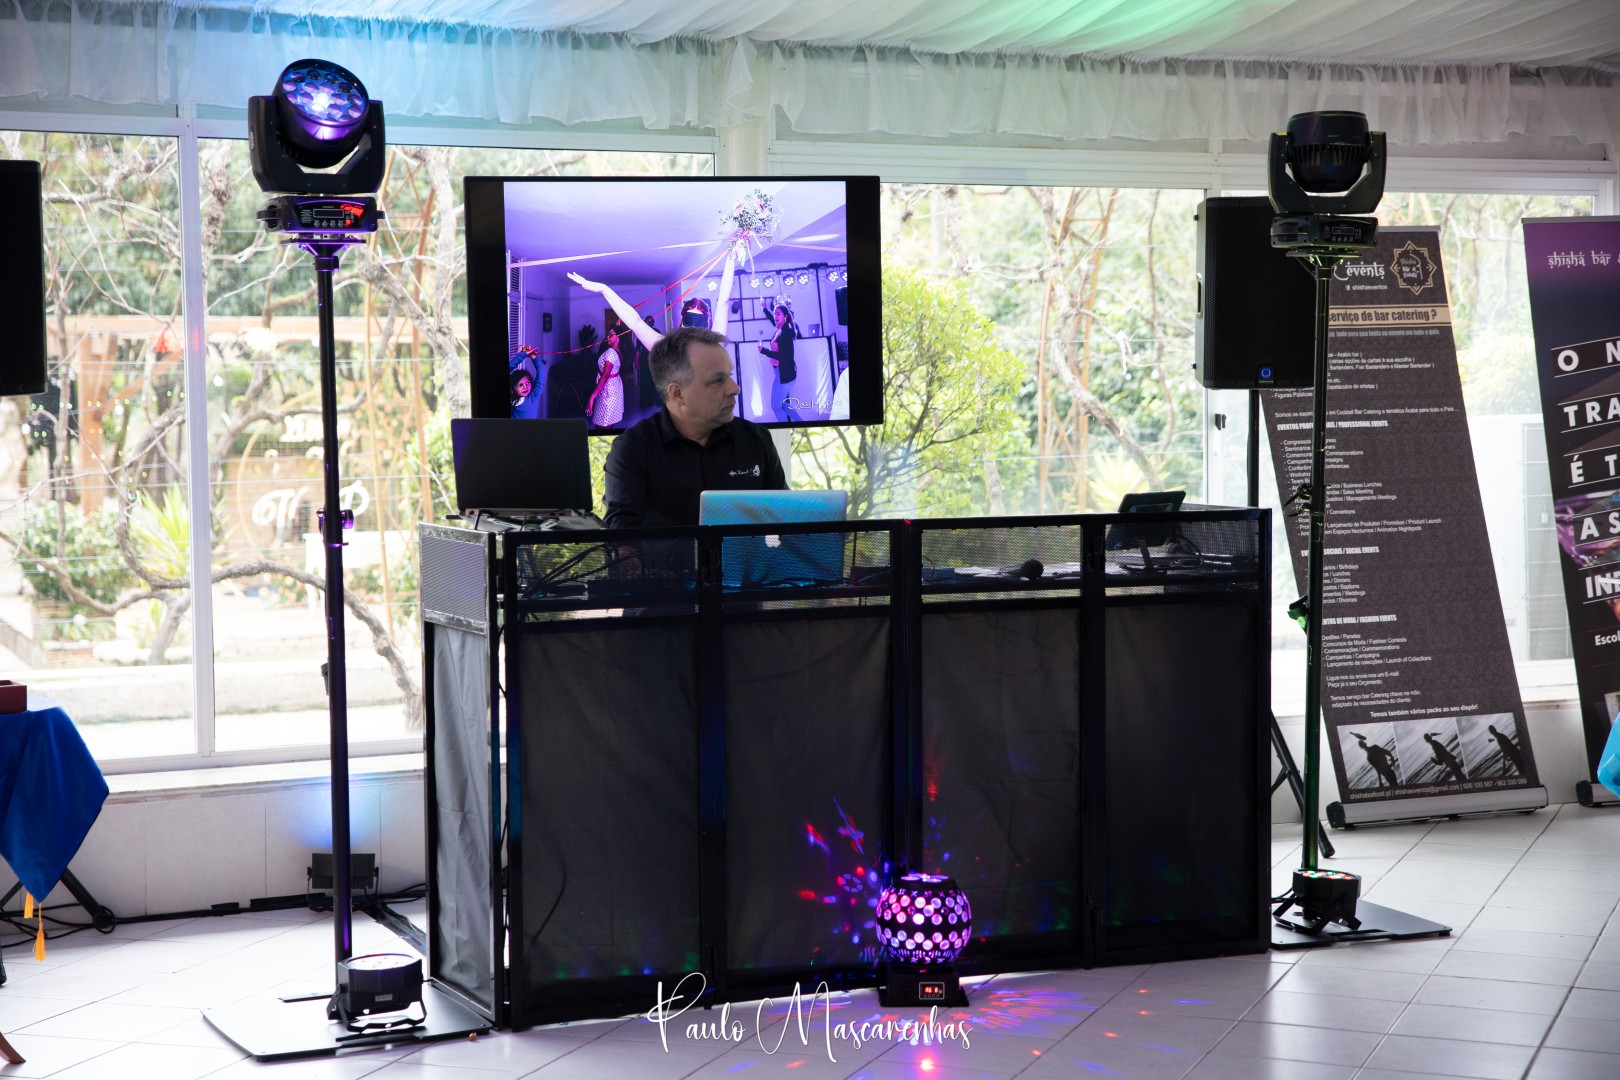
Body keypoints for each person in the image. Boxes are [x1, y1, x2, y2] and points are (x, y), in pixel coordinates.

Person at [603, 326, 785, 529]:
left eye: (730, 375)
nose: (735, 388)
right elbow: (622, 539)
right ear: (677, 393)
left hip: (750, 553)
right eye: (718, 380)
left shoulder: (757, 439)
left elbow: (787, 521)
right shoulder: (632, 450)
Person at [568, 248, 737, 351]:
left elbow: (723, 302)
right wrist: (604, 290)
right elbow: (635, 322)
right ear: (681, 322)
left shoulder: (715, 346)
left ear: (707, 325)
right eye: (689, 321)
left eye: (698, 322)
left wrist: (731, 256)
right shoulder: (668, 348)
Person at [758, 297, 799, 421]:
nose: (775, 316)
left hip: (786, 374)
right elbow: (773, 320)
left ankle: (786, 427)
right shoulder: (779, 329)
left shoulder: (785, 333)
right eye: (775, 313)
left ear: (785, 316)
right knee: (781, 404)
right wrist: (764, 308)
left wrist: (764, 351)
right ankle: (800, 422)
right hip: (779, 372)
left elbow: (783, 356)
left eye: (778, 314)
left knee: (776, 406)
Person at [586, 330, 625, 429]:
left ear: (618, 337)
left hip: (608, 392)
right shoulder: (618, 351)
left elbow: (606, 375)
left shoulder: (611, 352)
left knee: (603, 424)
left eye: (610, 335)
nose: (608, 337)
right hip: (612, 389)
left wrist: (592, 397)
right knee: (605, 423)